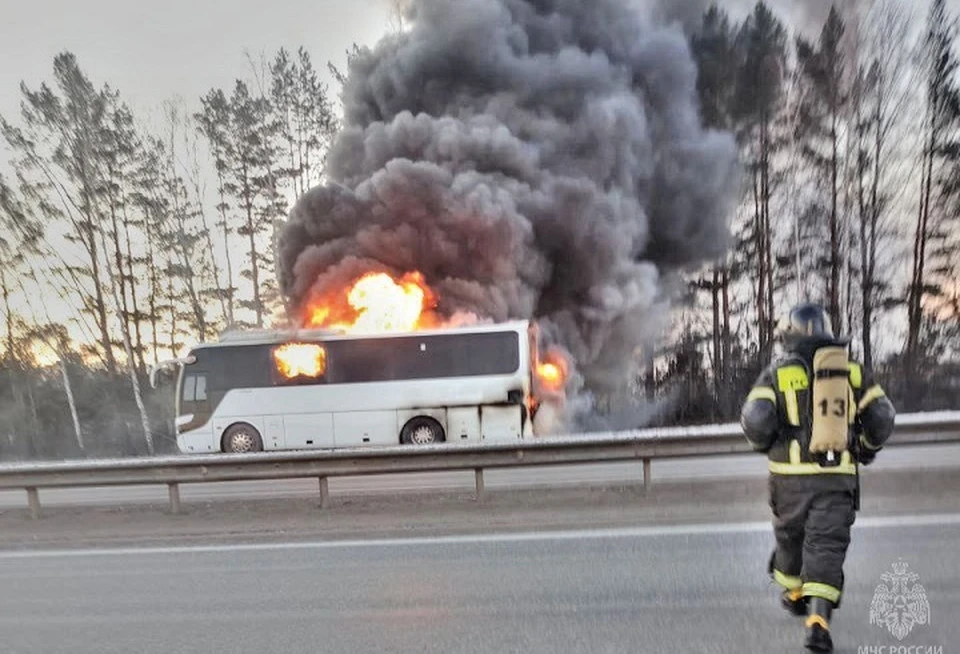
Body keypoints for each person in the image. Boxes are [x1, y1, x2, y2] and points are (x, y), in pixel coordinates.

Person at [740, 302, 896, 653]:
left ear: (789, 334)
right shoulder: (851, 371)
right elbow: (882, 417)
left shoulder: (777, 373)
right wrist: (865, 447)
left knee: (790, 539)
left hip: (789, 480)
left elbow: (756, 417)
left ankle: (795, 593)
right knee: (826, 545)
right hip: (836, 478)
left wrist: (765, 446)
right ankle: (818, 622)